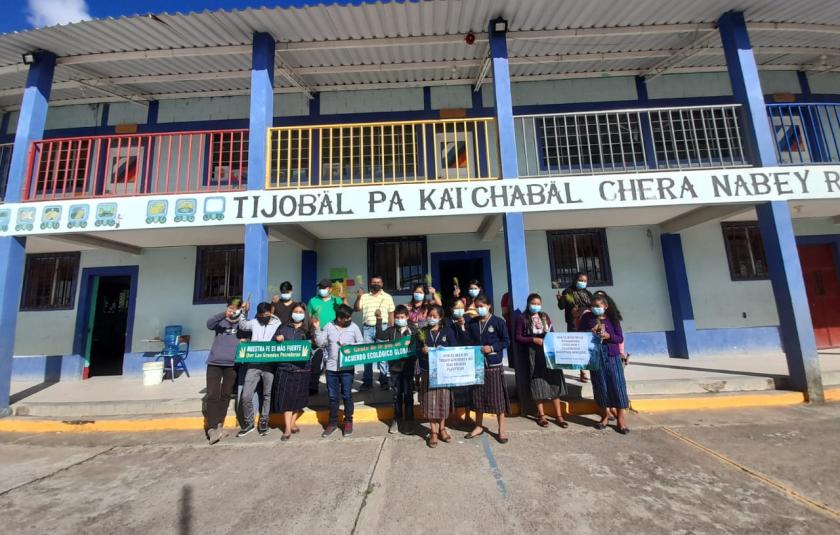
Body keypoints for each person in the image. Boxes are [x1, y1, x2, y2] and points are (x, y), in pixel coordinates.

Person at [457, 295, 511, 443]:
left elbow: (506, 341)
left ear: (489, 306)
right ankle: (478, 426)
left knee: (497, 397)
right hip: (477, 364)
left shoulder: (498, 322)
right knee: (478, 397)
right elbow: (467, 340)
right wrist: (462, 326)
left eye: (482, 306)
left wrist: (492, 348)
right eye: (477, 306)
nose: (479, 309)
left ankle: (501, 429)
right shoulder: (473, 323)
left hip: (493, 365)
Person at [515, 293, 568, 429]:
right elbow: (518, 337)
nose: (536, 306)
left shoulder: (544, 317)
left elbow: (552, 331)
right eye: (533, 303)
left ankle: (559, 416)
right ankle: (542, 415)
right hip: (533, 354)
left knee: (554, 381)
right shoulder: (522, 319)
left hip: (548, 352)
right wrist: (533, 339)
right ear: (528, 304)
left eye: (538, 304)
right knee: (537, 383)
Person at [579, 295, 630, 434]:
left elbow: (620, 338)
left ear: (605, 306)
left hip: (612, 356)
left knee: (617, 386)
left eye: (598, 306)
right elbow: (579, 334)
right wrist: (590, 332)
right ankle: (605, 416)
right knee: (601, 386)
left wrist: (609, 336)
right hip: (595, 356)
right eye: (593, 306)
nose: (595, 308)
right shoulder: (587, 318)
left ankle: (621, 419)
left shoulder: (612, 319)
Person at [314, 304, 364, 438]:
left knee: (347, 394)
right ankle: (333, 423)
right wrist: (317, 329)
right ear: (340, 318)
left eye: (350, 318)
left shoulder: (354, 327)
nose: (349, 320)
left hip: (347, 368)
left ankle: (348, 421)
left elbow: (361, 343)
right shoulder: (329, 326)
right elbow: (320, 343)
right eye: (346, 318)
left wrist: (350, 347)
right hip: (331, 368)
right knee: (333, 397)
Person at [236, 302, 282, 437]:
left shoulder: (276, 323)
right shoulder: (255, 322)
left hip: (269, 363)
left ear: (270, 312)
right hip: (253, 363)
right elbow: (243, 325)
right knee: (246, 396)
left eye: (266, 314)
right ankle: (248, 422)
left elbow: (282, 332)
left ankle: (264, 421)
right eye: (261, 314)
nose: (264, 317)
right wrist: (244, 312)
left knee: (267, 395)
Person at [204, 298, 245, 445]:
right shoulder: (220, 322)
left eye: (236, 308)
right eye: (231, 307)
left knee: (226, 394)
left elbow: (249, 332)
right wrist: (224, 314)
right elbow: (209, 324)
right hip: (214, 363)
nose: (233, 310)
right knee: (213, 394)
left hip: (232, 364)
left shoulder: (242, 323)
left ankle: (219, 425)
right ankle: (212, 428)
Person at [273, 302, 315, 441]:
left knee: (298, 398)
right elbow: (272, 344)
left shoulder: (307, 330)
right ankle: (287, 429)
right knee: (286, 399)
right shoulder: (283, 328)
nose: (298, 314)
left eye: (300, 312)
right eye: (295, 311)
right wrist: (277, 339)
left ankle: (292, 423)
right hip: (285, 368)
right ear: (291, 313)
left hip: (302, 369)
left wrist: (316, 330)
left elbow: (317, 345)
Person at [417, 305, 457, 448]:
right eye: (429, 316)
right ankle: (433, 432)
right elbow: (416, 350)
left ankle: (442, 429)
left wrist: (445, 351)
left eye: (434, 316)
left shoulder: (448, 331)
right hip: (428, 371)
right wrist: (422, 351)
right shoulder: (422, 332)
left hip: (443, 373)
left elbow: (454, 349)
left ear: (440, 318)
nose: (431, 318)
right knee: (429, 401)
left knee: (442, 401)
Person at [375, 304, 417, 434]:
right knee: (396, 395)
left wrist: (413, 340)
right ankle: (397, 420)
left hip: (408, 368)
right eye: (397, 317)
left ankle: (410, 420)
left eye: (402, 317)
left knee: (408, 395)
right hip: (394, 369)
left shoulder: (413, 330)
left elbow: (421, 341)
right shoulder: (391, 330)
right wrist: (379, 320)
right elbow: (380, 335)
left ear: (407, 317)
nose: (399, 319)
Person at [354, 275, 395, 390]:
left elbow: (391, 314)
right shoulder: (365, 296)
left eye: (378, 282)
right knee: (367, 356)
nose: (376, 284)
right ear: (370, 283)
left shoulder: (388, 297)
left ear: (382, 284)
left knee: (383, 355)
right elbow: (357, 309)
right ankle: (367, 382)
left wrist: (391, 329)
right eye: (374, 282)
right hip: (367, 329)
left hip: (383, 328)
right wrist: (358, 297)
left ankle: (383, 380)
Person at [307, 279, 346, 395]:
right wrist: (311, 333)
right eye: (320, 287)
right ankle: (313, 386)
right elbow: (309, 318)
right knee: (316, 362)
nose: (321, 290)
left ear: (330, 289)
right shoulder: (313, 301)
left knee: (333, 362)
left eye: (324, 287)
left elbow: (346, 314)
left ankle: (332, 387)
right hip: (318, 333)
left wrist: (344, 300)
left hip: (334, 335)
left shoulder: (337, 300)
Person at [556, 272, 593, 383]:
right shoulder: (568, 292)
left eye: (585, 281)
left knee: (588, 347)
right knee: (578, 348)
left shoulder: (588, 293)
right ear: (575, 280)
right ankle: (582, 372)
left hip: (587, 323)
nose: (582, 283)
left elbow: (593, 305)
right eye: (580, 280)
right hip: (574, 323)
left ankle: (591, 369)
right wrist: (560, 300)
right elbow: (562, 307)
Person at [446, 298, 473, 426]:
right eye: (456, 308)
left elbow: (470, 340)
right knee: (454, 389)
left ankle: (468, 416)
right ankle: (455, 416)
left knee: (467, 388)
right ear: (451, 309)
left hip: (465, 359)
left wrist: (462, 327)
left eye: (462, 307)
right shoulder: (446, 321)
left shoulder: (468, 320)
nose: (459, 310)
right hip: (451, 359)